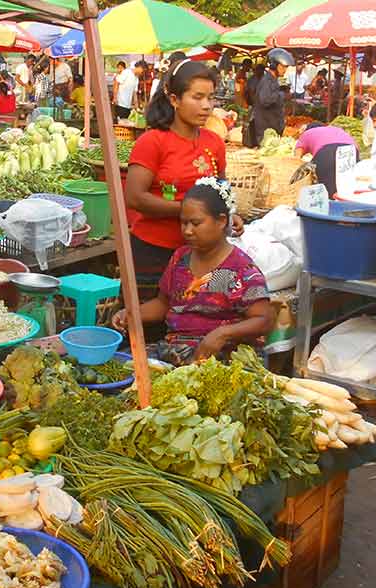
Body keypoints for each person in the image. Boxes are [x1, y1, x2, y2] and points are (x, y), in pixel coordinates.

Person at [111, 178, 271, 365]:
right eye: (183, 223)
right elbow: (163, 304)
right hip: (175, 350)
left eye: (195, 223)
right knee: (118, 365)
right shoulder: (181, 258)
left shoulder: (241, 270)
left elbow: (264, 320)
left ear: (221, 221)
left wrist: (222, 334)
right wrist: (130, 313)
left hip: (222, 357)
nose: (187, 231)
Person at [125, 61, 242, 282]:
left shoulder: (214, 143)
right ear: (174, 100)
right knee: (152, 314)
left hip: (202, 255)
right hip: (154, 253)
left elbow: (221, 189)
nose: (207, 106)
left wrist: (229, 212)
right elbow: (134, 197)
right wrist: (188, 211)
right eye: (197, 97)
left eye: (210, 97)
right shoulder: (152, 142)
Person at [295, 122, 356, 197]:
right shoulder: (338, 130)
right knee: (346, 188)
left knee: (325, 190)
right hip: (351, 151)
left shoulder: (306, 134)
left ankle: (330, 204)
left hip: (327, 151)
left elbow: (295, 159)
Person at [248, 49, 293, 148]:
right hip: (266, 130)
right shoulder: (267, 81)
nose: (285, 70)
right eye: (283, 67)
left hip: (273, 127)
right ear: (274, 65)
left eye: (286, 67)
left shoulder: (274, 80)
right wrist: (282, 95)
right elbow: (266, 100)